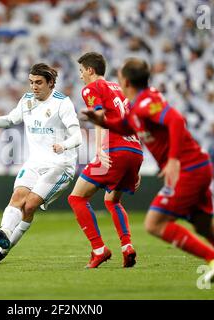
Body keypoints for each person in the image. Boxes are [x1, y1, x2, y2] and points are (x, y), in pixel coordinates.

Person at [82, 57, 214, 288]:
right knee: (205, 226)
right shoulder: (137, 106)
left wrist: (173, 160)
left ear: (124, 81)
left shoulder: (146, 102)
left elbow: (176, 120)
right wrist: (102, 121)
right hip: (197, 165)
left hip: (188, 168)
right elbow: (126, 126)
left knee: (155, 223)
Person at [0, 63, 82, 264]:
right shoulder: (27, 100)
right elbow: (10, 120)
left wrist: (63, 145)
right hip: (35, 161)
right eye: (31, 82)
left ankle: (3, 251)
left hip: (60, 165)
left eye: (38, 83)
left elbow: (78, 136)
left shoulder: (63, 104)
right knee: (18, 196)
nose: (34, 87)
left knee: (29, 206)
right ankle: (3, 233)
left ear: (51, 83)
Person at [68, 52, 143, 269]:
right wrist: (135, 167)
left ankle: (99, 250)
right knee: (112, 201)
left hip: (114, 150)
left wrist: (101, 149)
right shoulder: (119, 89)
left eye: (82, 71)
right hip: (133, 149)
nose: (81, 76)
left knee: (77, 198)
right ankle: (127, 246)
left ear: (90, 70)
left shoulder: (91, 88)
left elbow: (99, 116)